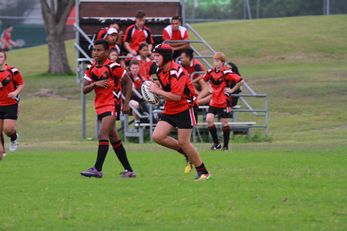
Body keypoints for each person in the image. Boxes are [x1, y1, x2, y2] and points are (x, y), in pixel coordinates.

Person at [149, 44, 210, 180]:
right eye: (154, 55)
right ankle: (187, 154)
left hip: (185, 108)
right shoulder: (159, 70)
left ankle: (204, 172)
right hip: (171, 108)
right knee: (157, 136)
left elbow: (177, 96)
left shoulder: (177, 72)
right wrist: (154, 92)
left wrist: (157, 91)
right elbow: (164, 88)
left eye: (157, 56)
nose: (154, 58)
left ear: (166, 57)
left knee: (184, 142)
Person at [80, 40, 136, 178]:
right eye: (94, 50)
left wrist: (126, 103)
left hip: (112, 104)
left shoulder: (113, 66)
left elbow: (128, 82)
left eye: (99, 50)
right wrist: (95, 84)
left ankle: (97, 169)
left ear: (106, 52)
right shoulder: (91, 69)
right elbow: (84, 89)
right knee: (114, 138)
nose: (95, 53)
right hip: (100, 105)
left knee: (102, 134)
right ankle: (129, 170)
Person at [203, 52, 244, 151]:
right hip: (214, 100)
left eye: (217, 61)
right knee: (209, 119)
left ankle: (225, 146)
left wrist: (232, 90)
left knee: (224, 122)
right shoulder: (210, 71)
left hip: (224, 101)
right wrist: (209, 88)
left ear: (222, 62)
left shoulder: (226, 72)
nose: (215, 63)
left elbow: (241, 81)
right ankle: (216, 144)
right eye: (214, 61)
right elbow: (204, 80)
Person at [0, 49, 24, 160]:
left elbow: (21, 83)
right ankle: (2, 151)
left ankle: (14, 138)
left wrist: (15, 93)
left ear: (5, 59)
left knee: (8, 129)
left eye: (0, 57)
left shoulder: (13, 70)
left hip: (10, 104)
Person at [128, 60, 148, 126]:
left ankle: (149, 121)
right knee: (135, 104)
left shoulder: (141, 78)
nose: (135, 70)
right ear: (130, 68)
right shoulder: (127, 78)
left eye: (136, 68)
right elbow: (129, 92)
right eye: (133, 68)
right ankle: (137, 121)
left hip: (139, 98)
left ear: (139, 68)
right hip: (127, 100)